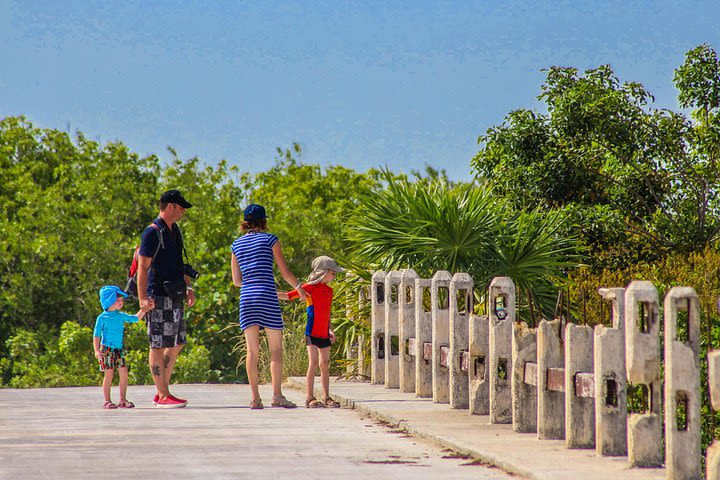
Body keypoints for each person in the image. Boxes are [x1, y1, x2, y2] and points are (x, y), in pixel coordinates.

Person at [230, 203, 306, 409]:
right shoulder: (271, 240)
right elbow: (284, 272)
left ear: (245, 222)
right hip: (267, 296)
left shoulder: (236, 245)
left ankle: (255, 399)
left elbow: (236, 281)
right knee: (275, 350)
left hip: (247, 296)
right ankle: (277, 395)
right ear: (264, 221)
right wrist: (298, 288)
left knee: (252, 352)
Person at [136, 189, 196, 408]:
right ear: (170, 206)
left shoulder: (175, 230)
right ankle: (162, 395)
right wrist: (143, 299)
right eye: (181, 208)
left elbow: (180, 263)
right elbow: (143, 267)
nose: (182, 213)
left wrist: (189, 286)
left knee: (178, 342)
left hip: (176, 294)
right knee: (158, 344)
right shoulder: (152, 232)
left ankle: (162, 388)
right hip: (157, 296)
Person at [278, 255, 344, 408]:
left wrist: (330, 330)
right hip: (311, 332)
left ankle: (327, 397)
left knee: (325, 363)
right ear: (324, 272)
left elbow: (327, 313)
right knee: (313, 363)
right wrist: (270, 294)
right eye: (333, 272)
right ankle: (309, 397)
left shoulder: (329, 291)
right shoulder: (308, 288)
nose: (334, 275)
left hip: (323, 332)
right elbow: (289, 296)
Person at [93, 285, 154, 409]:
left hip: (118, 349)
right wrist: (96, 350)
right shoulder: (102, 318)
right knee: (109, 374)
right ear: (109, 300)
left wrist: (144, 310)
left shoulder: (120, 315)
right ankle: (107, 401)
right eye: (118, 299)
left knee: (124, 372)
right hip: (107, 349)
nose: (121, 301)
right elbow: (96, 335)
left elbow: (135, 319)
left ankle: (122, 399)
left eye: (121, 299)